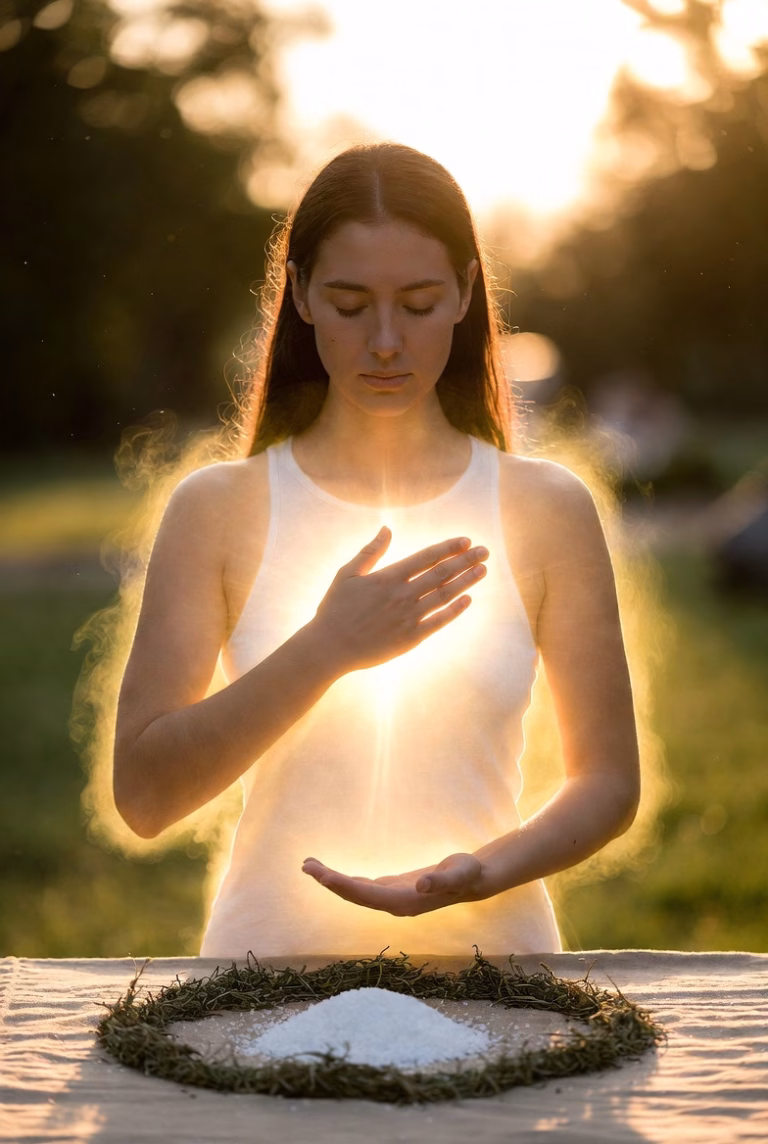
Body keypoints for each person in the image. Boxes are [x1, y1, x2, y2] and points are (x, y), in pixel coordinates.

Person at [113, 142, 640, 959]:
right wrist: (327, 648)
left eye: (421, 303)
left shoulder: (546, 507)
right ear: (300, 296)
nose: (386, 341)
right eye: (352, 305)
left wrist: (478, 871)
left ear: (467, 292)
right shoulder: (216, 509)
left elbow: (607, 784)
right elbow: (145, 797)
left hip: (496, 966)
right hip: (264, 973)